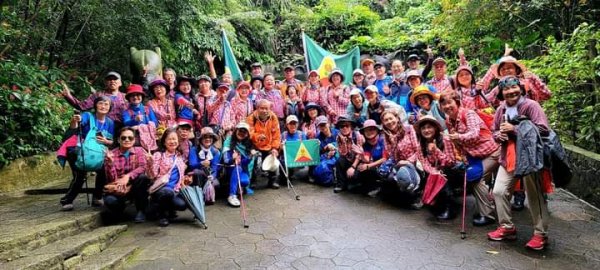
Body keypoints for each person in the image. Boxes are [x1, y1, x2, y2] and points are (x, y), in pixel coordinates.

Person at [487, 76, 551, 250]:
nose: (511, 92)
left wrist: (514, 130)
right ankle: (507, 227)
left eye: (514, 88)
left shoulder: (531, 106)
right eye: (506, 90)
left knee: (534, 196)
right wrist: (497, 135)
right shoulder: (501, 109)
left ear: (520, 89)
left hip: (530, 157)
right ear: (502, 93)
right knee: (499, 191)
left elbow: (543, 130)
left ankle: (540, 234)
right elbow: (494, 131)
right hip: (508, 156)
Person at [439, 90, 499, 226]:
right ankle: (486, 208)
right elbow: (457, 143)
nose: (447, 106)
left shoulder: (468, 113)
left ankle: (487, 214)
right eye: (443, 104)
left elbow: (474, 133)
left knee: (476, 177)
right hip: (474, 154)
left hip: (492, 151)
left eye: (450, 103)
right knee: (473, 177)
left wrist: (458, 137)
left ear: (457, 102)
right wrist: (463, 155)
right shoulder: (449, 120)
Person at [60, 96, 115, 211]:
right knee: (79, 176)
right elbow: (75, 126)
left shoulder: (110, 122)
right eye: (101, 103)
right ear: (95, 105)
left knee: (103, 172)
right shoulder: (87, 116)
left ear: (110, 108)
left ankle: (97, 197)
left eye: (106, 104)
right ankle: (67, 200)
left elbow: (111, 141)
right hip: (80, 152)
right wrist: (75, 120)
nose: (103, 106)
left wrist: (107, 141)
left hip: (98, 153)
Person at [414, 115, 458, 220]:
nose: (426, 130)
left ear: (435, 128)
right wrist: (434, 172)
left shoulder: (445, 140)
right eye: (423, 128)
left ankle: (450, 208)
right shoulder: (421, 145)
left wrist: (436, 151)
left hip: (449, 170)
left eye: (429, 127)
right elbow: (424, 163)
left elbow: (451, 161)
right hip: (434, 172)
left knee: (445, 173)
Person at [103, 127, 150, 223]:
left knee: (143, 178)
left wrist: (127, 176)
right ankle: (120, 209)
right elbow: (111, 178)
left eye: (130, 138)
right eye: (123, 138)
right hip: (118, 187)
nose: (127, 140)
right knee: (110, 201)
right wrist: (110, 164)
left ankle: (141, 210)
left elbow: (143, 167)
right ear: (118, 140)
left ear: (134, 140)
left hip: (134, 186)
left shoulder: (139, 151)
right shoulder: (111, 154)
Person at [146, 128, 191, 227]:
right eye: (169, 139)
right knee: (167, 192)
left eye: (174, 139)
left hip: (175, 190)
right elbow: (152, 175)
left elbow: (181, 177)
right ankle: (161, 215)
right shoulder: (159, 155)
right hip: (161, 189)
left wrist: (186, 179)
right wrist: (150, 162)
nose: (172, 141)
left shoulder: (179, 157)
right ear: (164, 141)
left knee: (182, 205)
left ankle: (169, 209)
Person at [379, 109, 421, 208]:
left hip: (414, 162)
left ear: (397, 118)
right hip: (398, 163)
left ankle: (416, 195)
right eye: (386, 120)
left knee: (404, 175)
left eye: (391, 118)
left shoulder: (409, 129)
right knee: (388, 179)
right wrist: (393, 142)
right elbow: (391, 155)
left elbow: (418, 150)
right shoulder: (386, 136)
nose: (389, 122)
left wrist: (407, 161)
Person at [61, 71, 128, 126]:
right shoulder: (98, 95)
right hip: (100, 128)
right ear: (105, 82)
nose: (112, 81)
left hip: (120, 131)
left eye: (115, 79)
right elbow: (82, 106)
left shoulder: (126, 97)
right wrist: (68, 96)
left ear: (120, 83)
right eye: (109, 79)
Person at [247, 99, 282, 189]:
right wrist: (257, 136)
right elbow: (249, 133)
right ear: (257, 108)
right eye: (262, 108)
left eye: (266, 108)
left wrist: (275, 148)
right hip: (255, 145)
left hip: (269, 145)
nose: (264, 111)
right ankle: (252, 181)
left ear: (269, 109)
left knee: (274, 158)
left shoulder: (273, 118)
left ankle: (273, 181)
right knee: (254, 161)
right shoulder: (251, 118)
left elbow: (276, 135)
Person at [222, 122, 256, 207]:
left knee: (245, 181)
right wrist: (232, 159)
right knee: (238, 168)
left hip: (241, 169)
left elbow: (244, 163)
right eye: (240, 130)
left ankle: (237, 187)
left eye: (244, 132)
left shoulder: (248, 144)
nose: (242, 133)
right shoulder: (228, 141)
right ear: (236, 130)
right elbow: (225, 161)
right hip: (230, 168)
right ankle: (232, 195)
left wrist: (250, 156)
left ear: (247, 134)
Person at [354, 119, 388, 196]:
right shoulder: (365, 144)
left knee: (368, 167)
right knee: (360, 169)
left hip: (385, 166)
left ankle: (380, 188)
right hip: (374, 166)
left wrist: (369, 165)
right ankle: (371, 186)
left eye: (372, 129)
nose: (370, 132)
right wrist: (361, 155)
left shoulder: (383, 140)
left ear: (377, 130)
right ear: (364, 133)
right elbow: (367, 159)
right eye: (367, 130)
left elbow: (385, 158)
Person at [333, 117, 365, 193]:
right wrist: (344, 142)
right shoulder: (339, 137)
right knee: (339, 161)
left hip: (359, 161)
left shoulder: (357, 136)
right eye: (342, 126)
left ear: (351, 127)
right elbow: (343, 154)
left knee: (353, 179)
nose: (344, 128)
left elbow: (360, 154)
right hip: (348, 158)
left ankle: (356, 182)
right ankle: (341, 184)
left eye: (347, 126)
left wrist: (353, 167)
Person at [312, 116, 339, 186]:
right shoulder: (317, 138)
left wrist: (335, 149)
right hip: (326, 158)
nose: (323, 127)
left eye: (324, 124)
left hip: (339, 155)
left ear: (328, 123)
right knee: (319, 169)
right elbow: (317, 153)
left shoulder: (337, 133)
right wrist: (327, 153)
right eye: (320, 126)